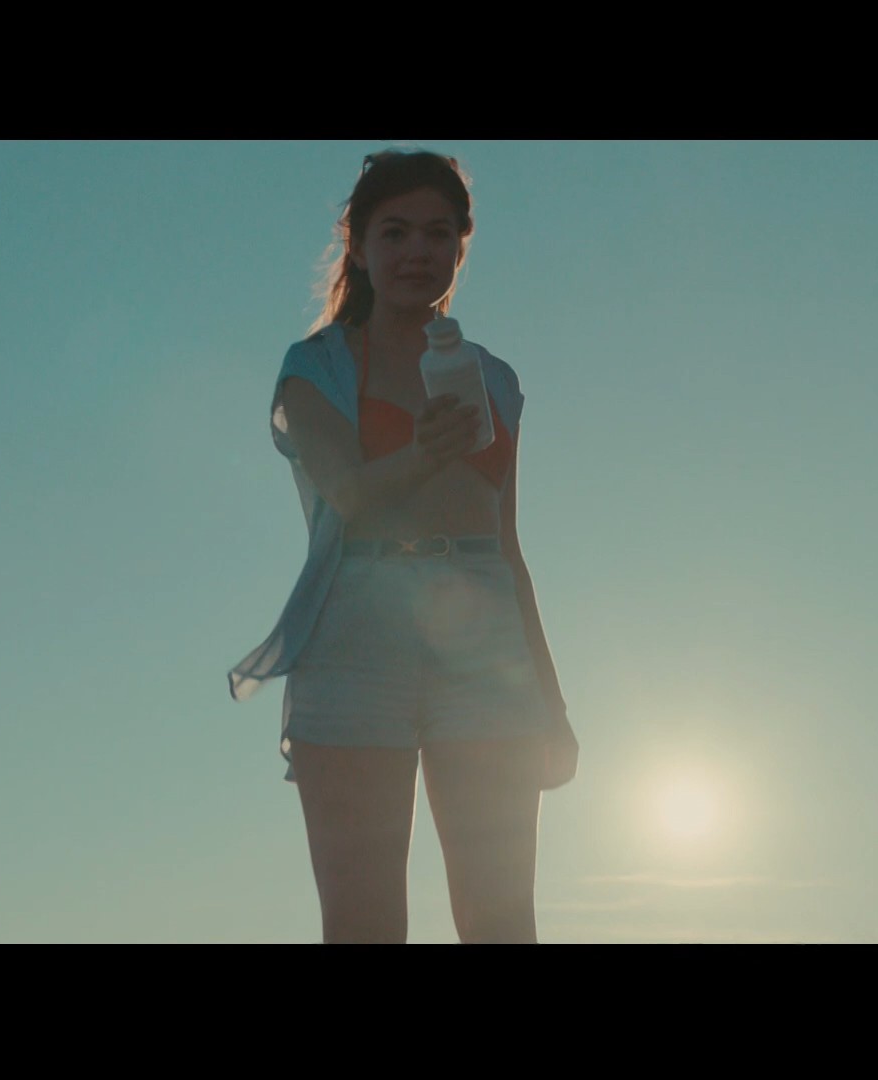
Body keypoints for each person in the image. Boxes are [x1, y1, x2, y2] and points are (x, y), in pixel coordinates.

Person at [229, 149, 576, 943]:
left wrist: (551, 701)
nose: (417, 251)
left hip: (486, 643)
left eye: (437, 233)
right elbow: (348, 493)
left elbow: (508, 546)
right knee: (364, 924)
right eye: (394, 233)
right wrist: (427, 450)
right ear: (358, 247)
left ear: (460, 246)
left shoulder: (495, 379)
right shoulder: (314, 366)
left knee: (502, 923)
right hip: (357, 635)